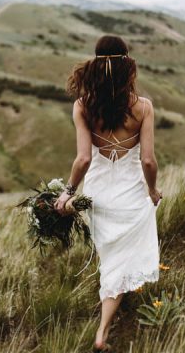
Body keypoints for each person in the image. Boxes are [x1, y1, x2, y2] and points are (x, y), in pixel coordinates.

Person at [54, 35, 162, 352]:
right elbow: (148, 160)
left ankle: (103, 327)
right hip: (130, 196)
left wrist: (67, 193)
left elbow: (84, 159)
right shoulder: (143, 108)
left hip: (100, 194)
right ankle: (102, 330)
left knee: (111, 260)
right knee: (120, 262)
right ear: (129, 67)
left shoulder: (83, 107)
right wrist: (152, 191)